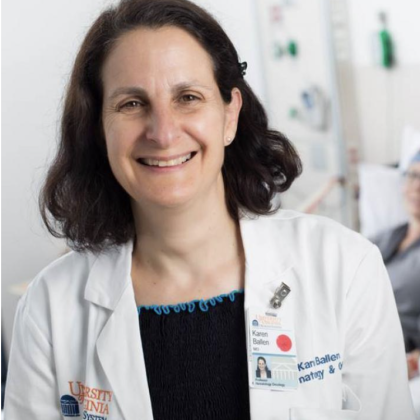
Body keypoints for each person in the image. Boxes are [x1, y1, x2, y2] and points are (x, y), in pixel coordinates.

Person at [4, 0, 416, 419]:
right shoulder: (50, 308)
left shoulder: (345, 267)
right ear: (98, 127)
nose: (163, 133)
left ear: (229, 115)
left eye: (188, 97)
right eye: (132, 104)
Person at [371, 150, 420, 416]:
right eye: (412, 176)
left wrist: (413, 362)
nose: (417, 186)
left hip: (393, 351)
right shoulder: (386, 237)